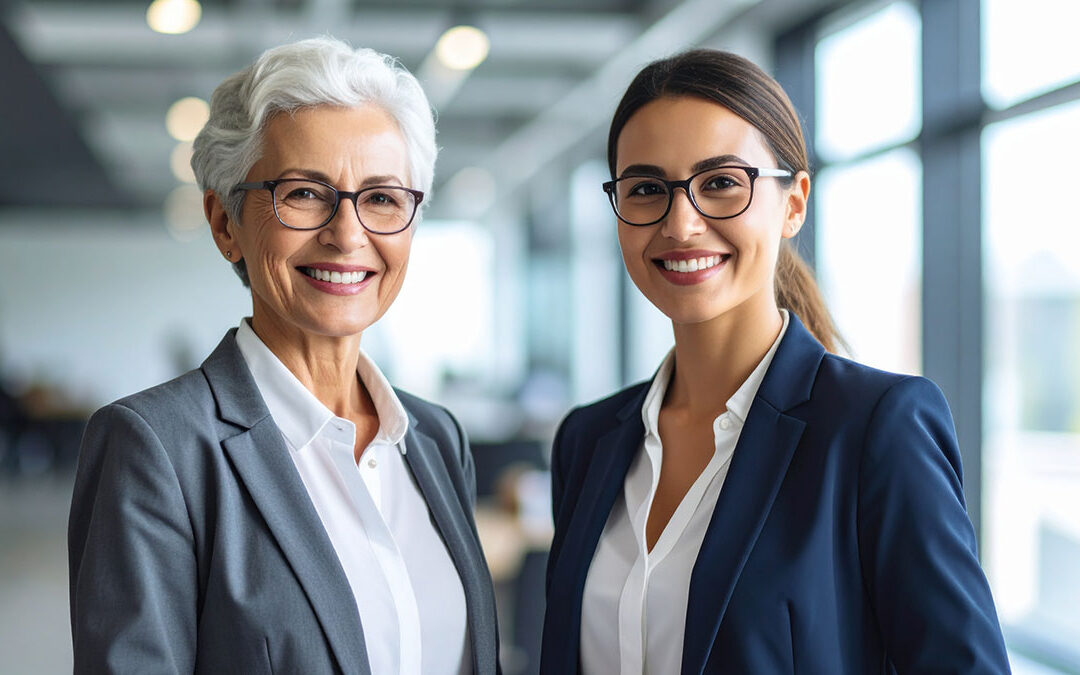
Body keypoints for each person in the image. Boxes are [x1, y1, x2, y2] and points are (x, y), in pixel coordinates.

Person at [540, 49, 1010, 674]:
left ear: (793, 204)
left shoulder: (875, 429)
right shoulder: (589, 439)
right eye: (648, 189)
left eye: (722, 183)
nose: (682, 223)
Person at [68, 37, 499, 675]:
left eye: (382, 198)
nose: (348, 234)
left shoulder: (435, 438)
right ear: (224, 222)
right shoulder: (156, 448)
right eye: (304, 193)